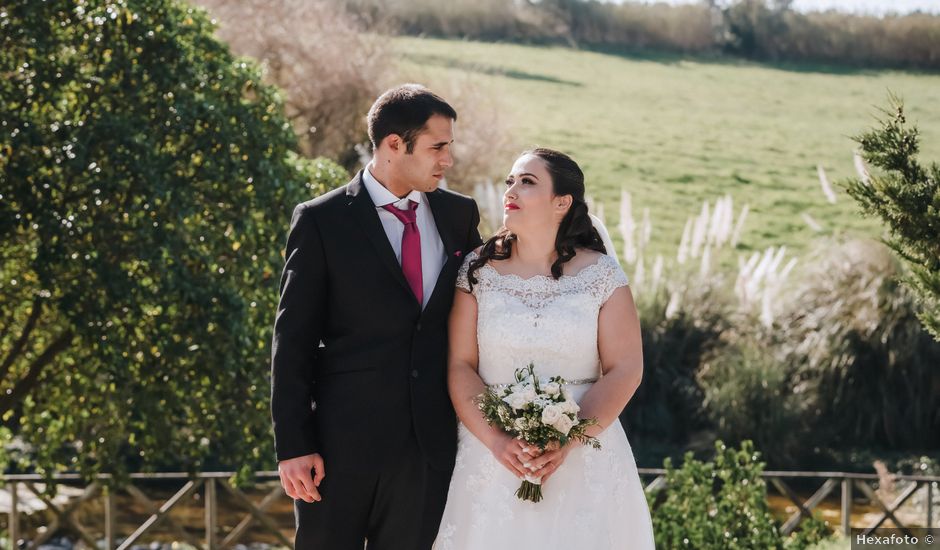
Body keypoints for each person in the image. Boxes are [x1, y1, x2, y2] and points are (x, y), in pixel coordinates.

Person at [271, 84, 483, 549]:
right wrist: (293, 444)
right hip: (337, 449)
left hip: (428, 449)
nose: (447, 159)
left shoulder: (459, 215)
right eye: (437, 147)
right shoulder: (321, 220)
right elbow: (293, 339)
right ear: (393, 144)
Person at [435, 148, 655, 549]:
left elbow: (625, 368)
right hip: (491, 453)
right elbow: (460, 365)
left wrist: (567, 441)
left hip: (585, 456)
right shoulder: (477, 272)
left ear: (562, 202)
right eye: (510, 182)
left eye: (527, 182)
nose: (511, 191)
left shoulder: (602, 275)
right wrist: (499, 441)